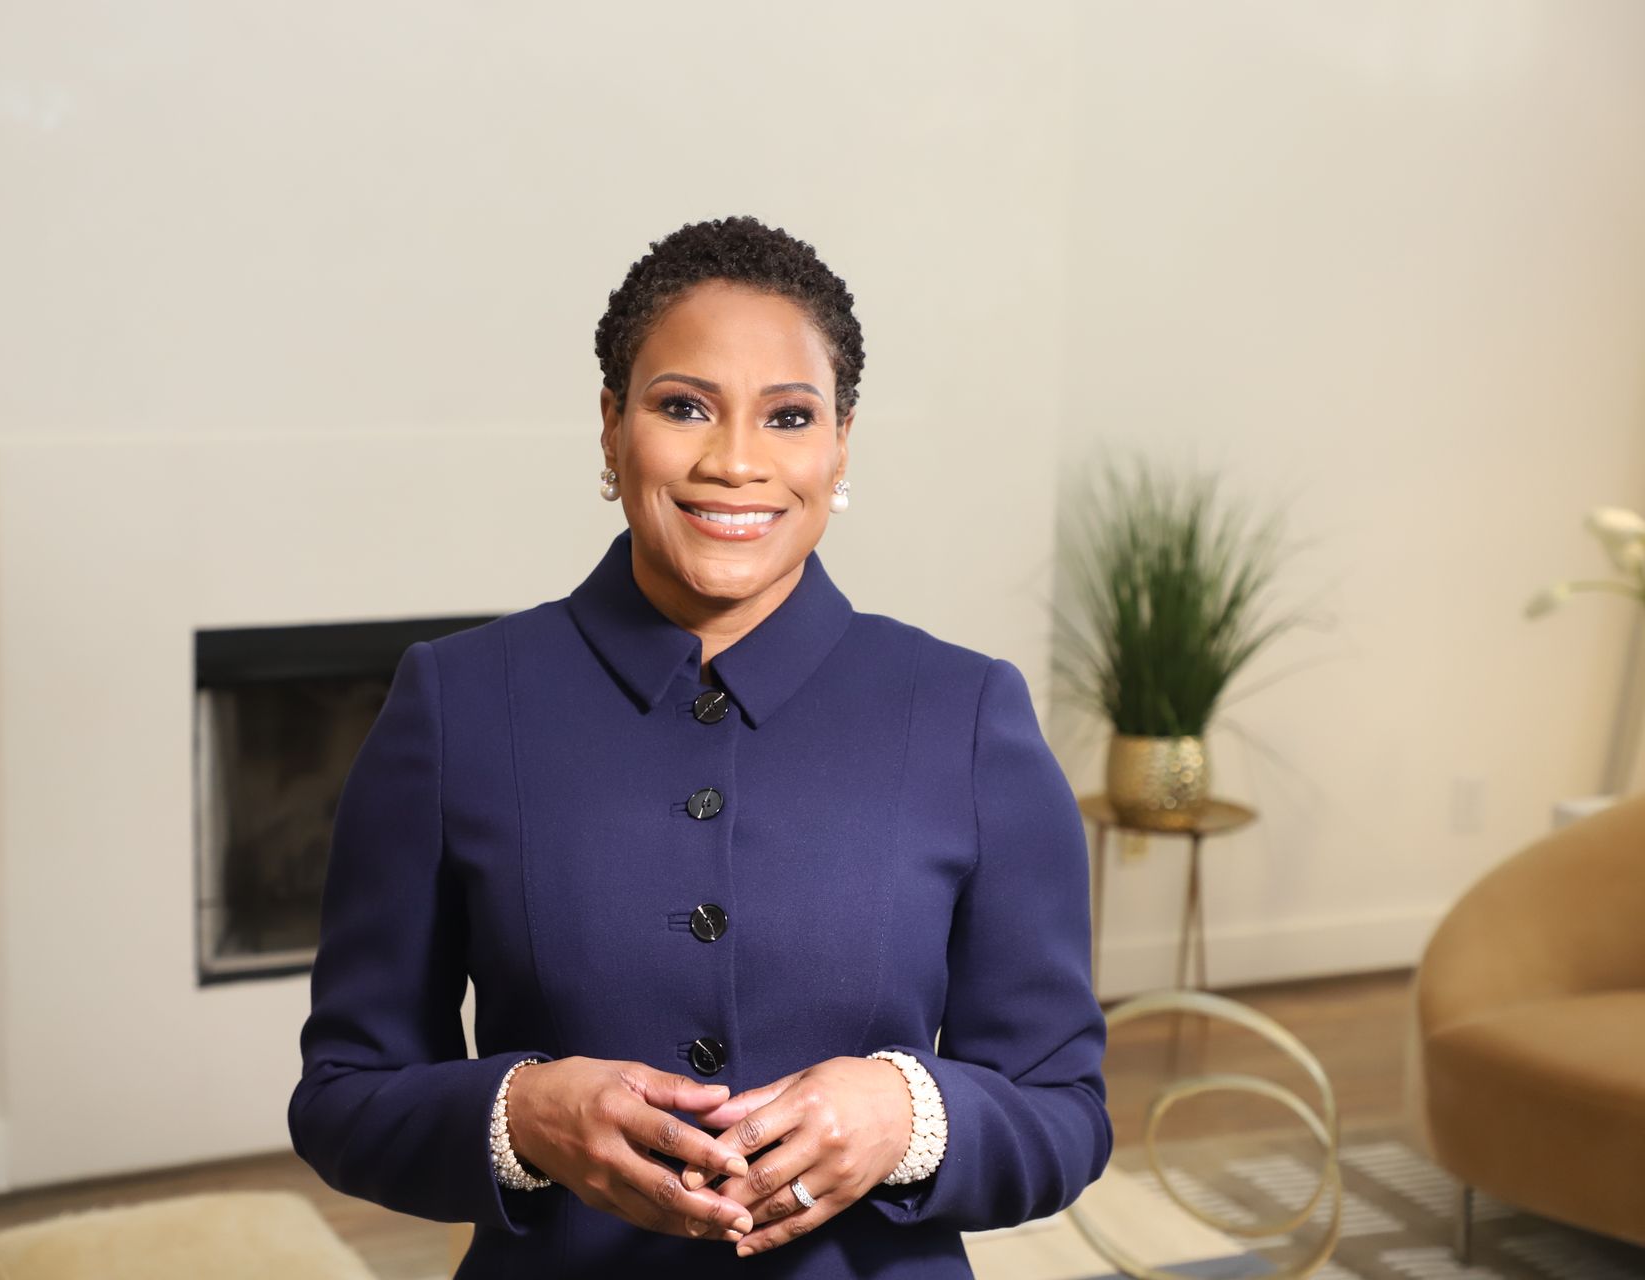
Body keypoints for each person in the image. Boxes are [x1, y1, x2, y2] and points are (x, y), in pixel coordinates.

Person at [288, 214, 1112, 1278]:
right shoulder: (455, 703)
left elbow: (1064, 1113)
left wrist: (909, 1113)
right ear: (611, 426)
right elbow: (344, 1095)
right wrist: (523, 1115)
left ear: (840, 444)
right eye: (684, 406)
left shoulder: (966, 712)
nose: (735, 462)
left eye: (789, 416)